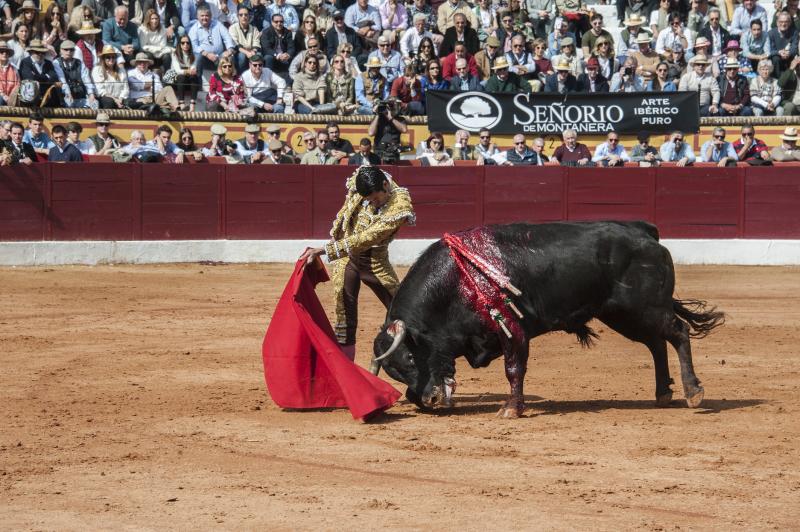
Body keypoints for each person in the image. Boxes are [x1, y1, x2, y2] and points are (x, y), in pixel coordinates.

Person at [299, 166, 415, 362]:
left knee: (405, 311)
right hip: (347, 260)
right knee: (344, 319)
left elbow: (367, 237)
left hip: (375, 263)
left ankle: (424, 362)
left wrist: (327, 249)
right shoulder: (359, 183)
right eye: (369, 200)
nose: (373, 203)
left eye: (376, 198)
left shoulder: (400, 206)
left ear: (385, 185)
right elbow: (347, 213)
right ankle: (345, 373)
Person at [189, 5, 236, 81]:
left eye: (207, 15)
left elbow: (227, 37)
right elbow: (193, 46)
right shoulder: (194, 29)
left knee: (230, 57)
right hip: (205, 59)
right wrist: (206, 54)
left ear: (210, 16)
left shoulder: (218, 24)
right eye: (202, 16)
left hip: (219, 57)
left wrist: (229, 50)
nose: (205, 18)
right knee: (198, 57)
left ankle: (229, 82)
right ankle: (198, 83)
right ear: (197, 17)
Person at [53, 40, 96, 109]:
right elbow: (62, 80)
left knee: (95, 104)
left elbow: (86, 79)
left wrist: (91, 94)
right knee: (69, 103)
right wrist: (68, 93)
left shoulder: (79, 62)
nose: (69, 52)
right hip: (65, 96)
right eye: (66, 49)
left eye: (71, 50)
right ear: (61, 50)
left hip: (80, 96)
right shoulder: (56, 62)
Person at [19, 39, 62, 107]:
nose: (40, 54)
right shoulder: (25, 62)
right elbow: (30, 78)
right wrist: (47, 77)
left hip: (47, 97)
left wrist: (37, 76)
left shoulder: (48, 63)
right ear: (31, 52)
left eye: (43, 53)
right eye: (37, 52)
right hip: (30, 98)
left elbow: (54, 77)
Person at [369, 98, 407, 163]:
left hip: (393, 152)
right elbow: (371, 133)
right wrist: (377, 114)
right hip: (379, 151)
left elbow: (404, 129)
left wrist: (390, 118)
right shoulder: (378, 119)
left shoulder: (400, 119)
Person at [92, 44, 128, 109]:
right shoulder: (97, 69)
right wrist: (115, 100)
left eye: (113, 57)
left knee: (130, 102)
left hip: (119, 98)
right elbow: (100, 91)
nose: (111, 59)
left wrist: (120, 99)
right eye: (108, 57)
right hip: (104, 98)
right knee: (109, 102)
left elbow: (126, 88)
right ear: (103, 59)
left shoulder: (121, 70)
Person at [261, 12, 295, 79]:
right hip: (273, 56)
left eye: (281, 21)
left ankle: (292, 80)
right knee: (268, 57)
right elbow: (266, 48)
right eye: (276, 22)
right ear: (272, 22)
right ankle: (267, 79)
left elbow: (291, 47)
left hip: (285, 57)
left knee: (294, 56)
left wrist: (288, 54)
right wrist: (277, 55)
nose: (279, 23)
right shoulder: (266, 32)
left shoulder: (288, 32)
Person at [170, 36, 201, 112]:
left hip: (189, 79)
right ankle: (181, 102)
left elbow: (193, 68)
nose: (185, 45)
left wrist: (191, 71)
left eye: (187, 43)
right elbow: (177, 70)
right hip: (176, 79)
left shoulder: (194, 55)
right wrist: (188, 71)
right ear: (179, 44)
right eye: (183, 43)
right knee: (181, 77)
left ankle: (192, 103)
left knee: (194, 77)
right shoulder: (175, 54)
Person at [768, 12, 797, 77]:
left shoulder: (794, 32)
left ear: (789, 23)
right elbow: (769, 50)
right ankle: (778, 81)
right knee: (775, 59)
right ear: (777, 22)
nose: (783, 24)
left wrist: (788, 53)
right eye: (781, 22)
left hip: (789, 57)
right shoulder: (771, 33)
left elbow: (794, 48)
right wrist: (779, 52)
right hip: (776, 59)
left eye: (786, 22)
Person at [0, 40, 19, 106]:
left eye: (7, 52)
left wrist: (12, 97)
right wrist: (4, 96)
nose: (4, 54)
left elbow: (17, 86)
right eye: (1, 52)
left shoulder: (14, 69)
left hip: (12, 98)